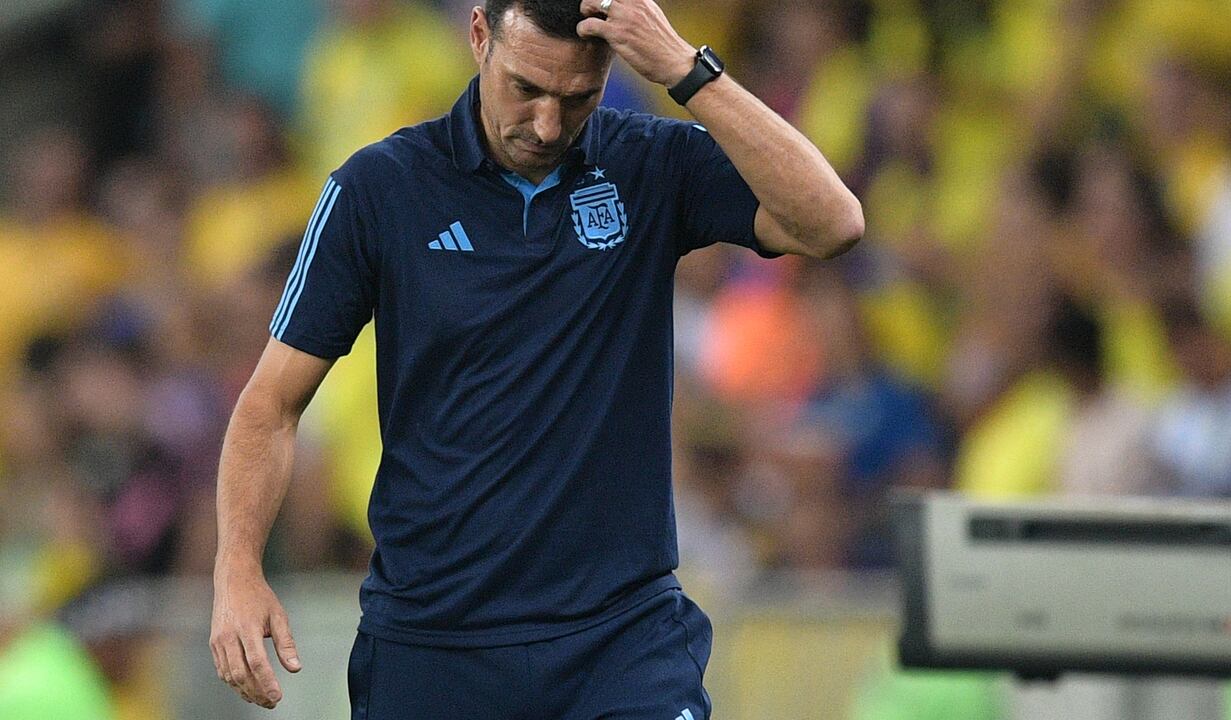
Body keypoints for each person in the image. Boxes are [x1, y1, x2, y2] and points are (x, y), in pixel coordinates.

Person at [209, 0, 863, 717]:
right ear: (480, 36)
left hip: (619, 641)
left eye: (577, 98)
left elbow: (833, 223)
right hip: (434, 646)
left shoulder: (649, 164)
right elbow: (272, 404)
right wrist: (237, 568)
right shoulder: (379, 190)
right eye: (526, 88)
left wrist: (687, 70)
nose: (548, 124)